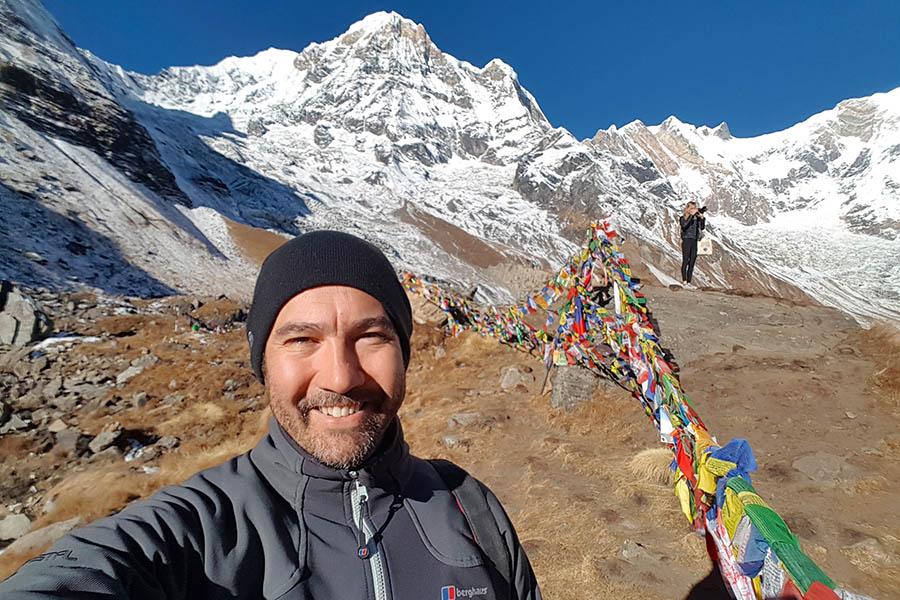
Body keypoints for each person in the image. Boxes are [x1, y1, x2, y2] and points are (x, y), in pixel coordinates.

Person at [0, 230, 542, 600]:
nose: (341, 376)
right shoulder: (199, 531)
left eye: (371, 337)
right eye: (302, 339)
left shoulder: (470, 507)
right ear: (263, 361)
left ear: (404, 351)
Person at [678, 201, 706, 286]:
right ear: (688, 209)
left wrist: (702, 219)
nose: (694, 210)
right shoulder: (683, 218)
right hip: (686, 240)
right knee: (686, 260)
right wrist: (691, 216)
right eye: (692, 208)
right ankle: (684, 281)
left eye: (695, 208)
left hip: (694, 240)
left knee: (692, 261)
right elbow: (684, 226)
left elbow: (702, 227)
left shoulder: (696, 219)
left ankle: (689, 282)